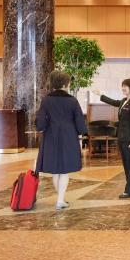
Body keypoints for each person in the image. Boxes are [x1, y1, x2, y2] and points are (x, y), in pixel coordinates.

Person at [35, 70, 87, 209]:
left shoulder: (46, 100)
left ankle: (60, 198)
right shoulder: (72, 101)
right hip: (68, 137)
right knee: (64, 170)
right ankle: (60, 200)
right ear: (65, 84)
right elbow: (80, 121)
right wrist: (82, 134)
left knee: (56, 170)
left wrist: (41, 128)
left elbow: (40, 122)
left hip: (51, 136)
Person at [99, 79, 130, 198]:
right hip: (122, 138)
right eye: (122, 86)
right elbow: (113, 102)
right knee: (127, 164)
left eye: (125, 86)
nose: (123, 88)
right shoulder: (123, 101)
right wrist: (100, 95)